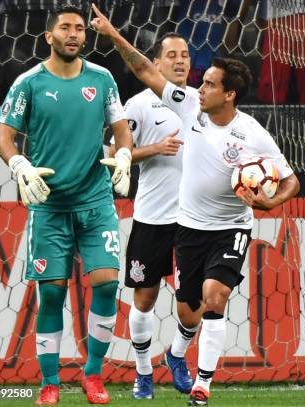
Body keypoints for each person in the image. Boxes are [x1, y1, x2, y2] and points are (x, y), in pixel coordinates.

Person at [90, 4, 300, 406]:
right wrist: (113, 34)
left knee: (205, 304)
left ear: (228, 93)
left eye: (207, 82)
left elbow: (292, 180)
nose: (197, 83)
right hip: (164, 218)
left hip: (224, 225)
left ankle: (196, 376)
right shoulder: (175, 104)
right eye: (174, 56)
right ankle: (145, 372)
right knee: (153, 300)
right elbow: (140, 76)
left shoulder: (251, 132)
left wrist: (270, 201)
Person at [0, 5, 133, 405]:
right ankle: (50, 383)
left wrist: (124, 157)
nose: (73, 34)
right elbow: (4, 137)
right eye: (65, 28)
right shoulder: (29, 83)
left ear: (85, 37)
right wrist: (19, 164)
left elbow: (121, 129)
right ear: (49, 37)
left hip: (95, 200)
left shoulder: (102, 79)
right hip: (50, 207)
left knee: (107, 284)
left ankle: (93, 375)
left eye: (78, 28)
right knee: (51, 294)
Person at [107, 32, 195, 399]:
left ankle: (176, 355)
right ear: (155, 64)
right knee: (143, 301)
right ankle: (143, 373)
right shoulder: (140, 105)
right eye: (171, 55)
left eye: (185, 54)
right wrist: (154, 149)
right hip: (151, 218)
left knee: (192, 308)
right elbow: (115, 153)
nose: (180, 61)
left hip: (193, 221)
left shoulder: (200, 101)